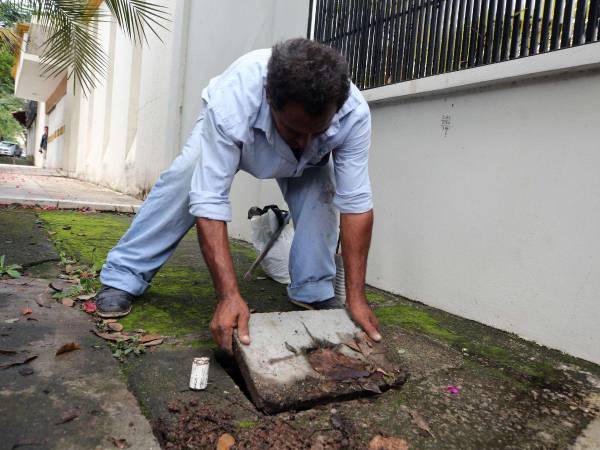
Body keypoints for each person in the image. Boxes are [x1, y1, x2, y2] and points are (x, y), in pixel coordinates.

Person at [96, 38, 381, 352]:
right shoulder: (234, 98)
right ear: (269, 97)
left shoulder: (353, 113)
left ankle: (313, 289)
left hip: (309, 165)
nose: (304, 141)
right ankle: (124, 275)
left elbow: (356, 206)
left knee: (320, 192)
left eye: (317, 130)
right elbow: (210, 200)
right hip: (242, 134)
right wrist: (229, 296)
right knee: (187, 177)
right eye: (294, 130)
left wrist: (356, 298)